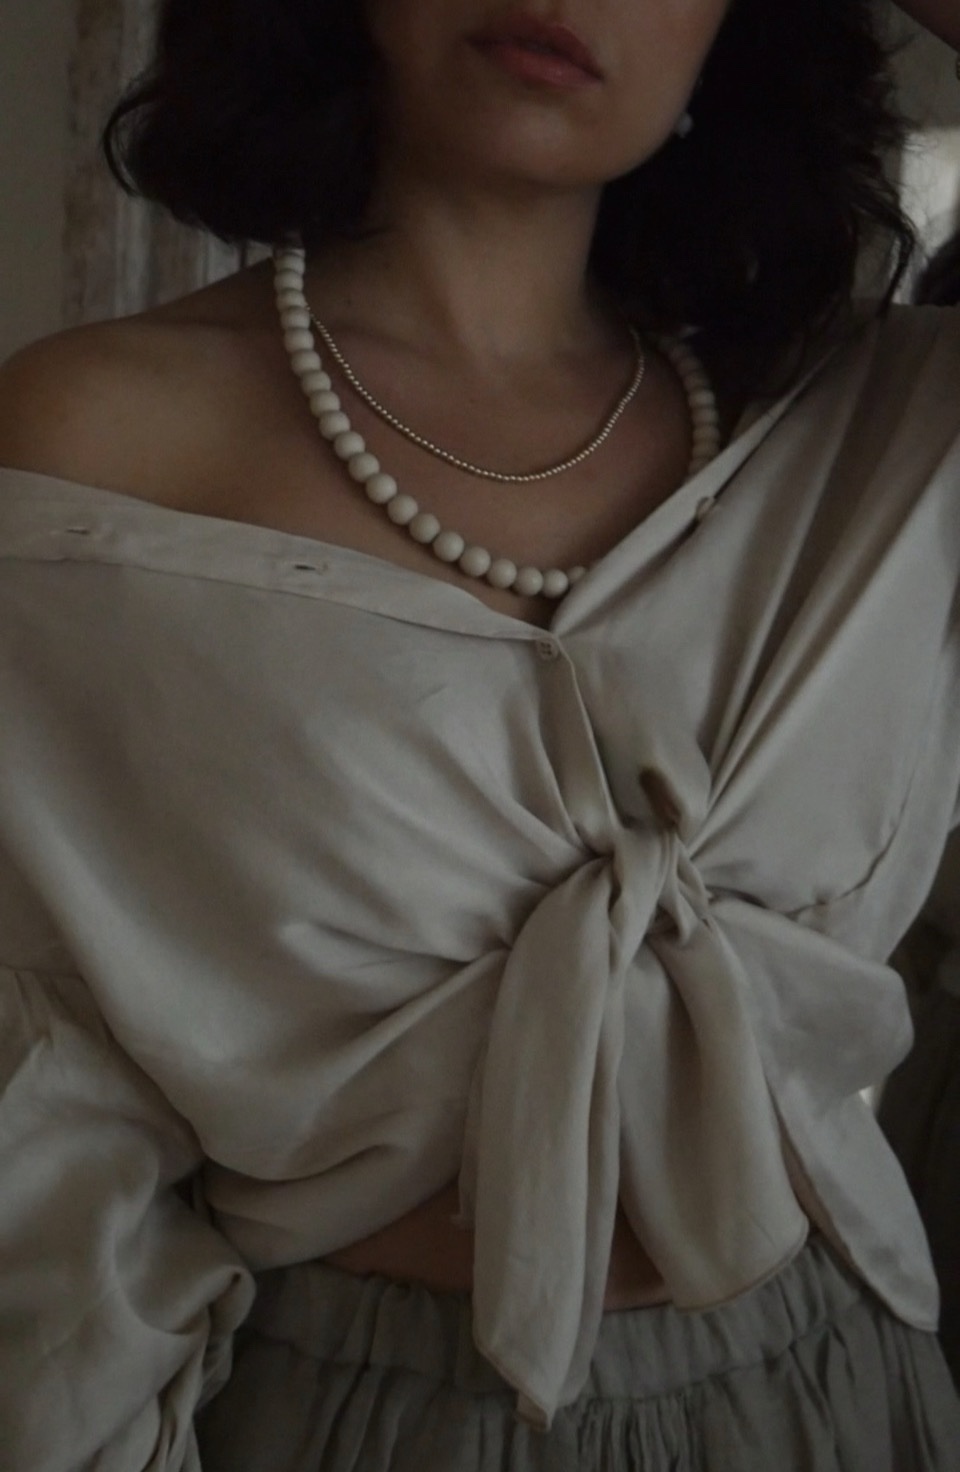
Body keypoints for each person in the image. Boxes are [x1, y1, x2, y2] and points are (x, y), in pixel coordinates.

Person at [1, 1, 959, 1468]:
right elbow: (44, 1101)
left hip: (840, 1387)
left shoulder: (883, 431)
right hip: (348, 1412)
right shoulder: (98, 444)